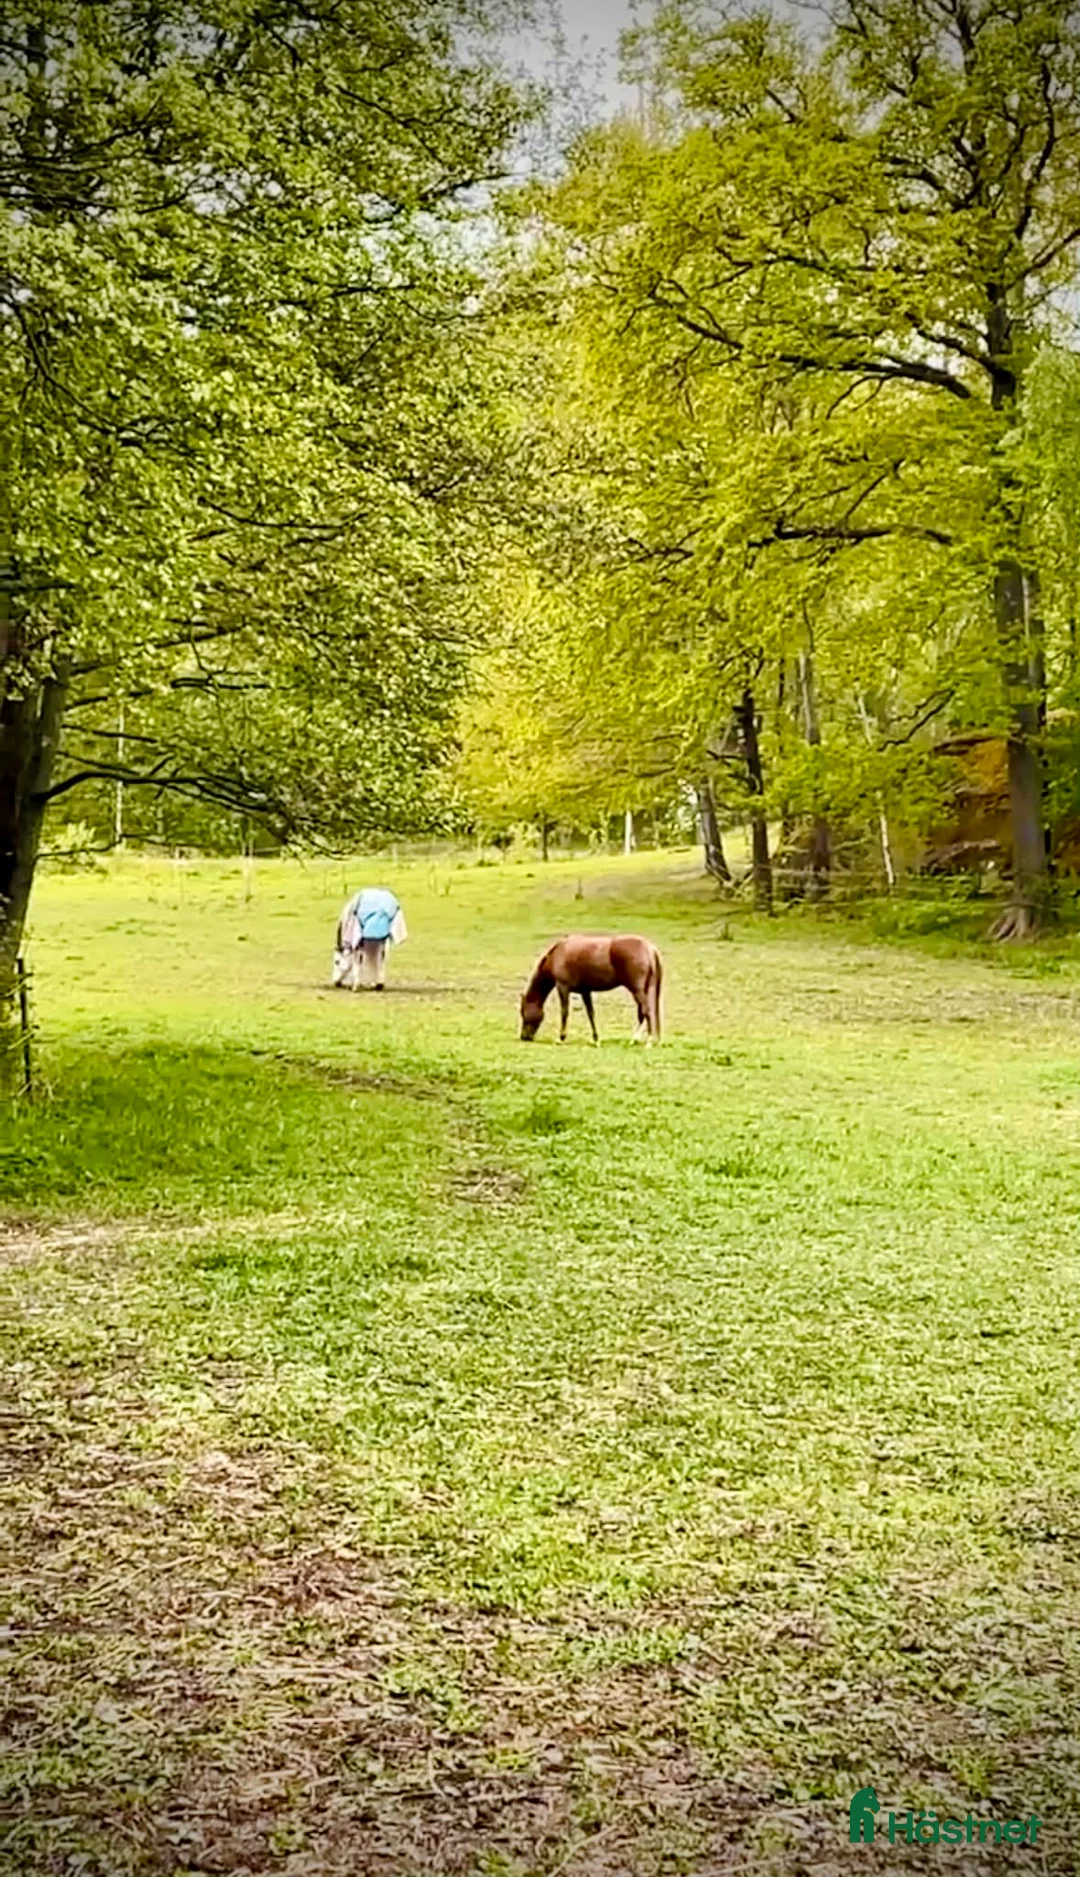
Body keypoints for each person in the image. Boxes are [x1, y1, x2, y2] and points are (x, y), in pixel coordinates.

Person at [332, 886, 407, 991]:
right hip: (385, 913)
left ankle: (356, 980)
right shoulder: (387, 899)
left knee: (356, 951)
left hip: (365, 915)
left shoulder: (355, 908)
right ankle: (379, 979)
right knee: (380, 949)